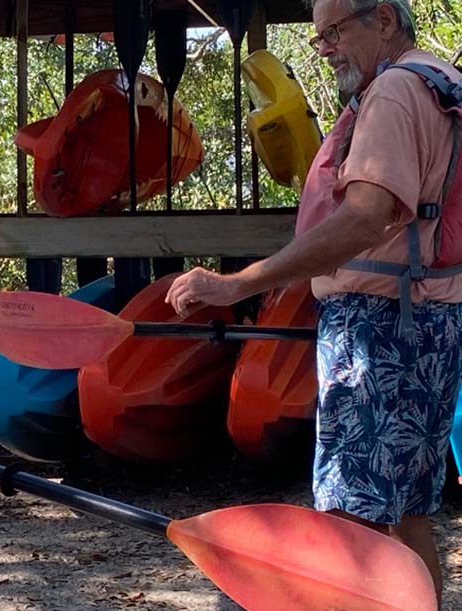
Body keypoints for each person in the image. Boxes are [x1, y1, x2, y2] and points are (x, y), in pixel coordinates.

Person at [165, 1, 462, 605]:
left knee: (351, 527)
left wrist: (237, 284)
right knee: (405, 514)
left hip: (380, 331)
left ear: (383, 20)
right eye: (318, 35)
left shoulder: (395, 94)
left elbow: (363, 219)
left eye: (334, 31)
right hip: (428, 321)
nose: (323, 47)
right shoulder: (441, 81)